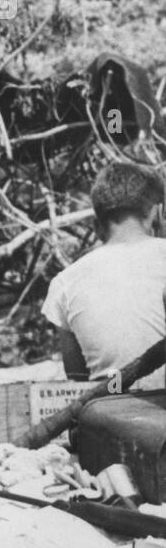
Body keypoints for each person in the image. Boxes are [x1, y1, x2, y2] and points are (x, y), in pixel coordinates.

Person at [43, 162, 166, 391]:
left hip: (108, 414)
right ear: (157, 213)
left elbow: (77, 378)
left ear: (96, 223)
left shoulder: (65, 282)